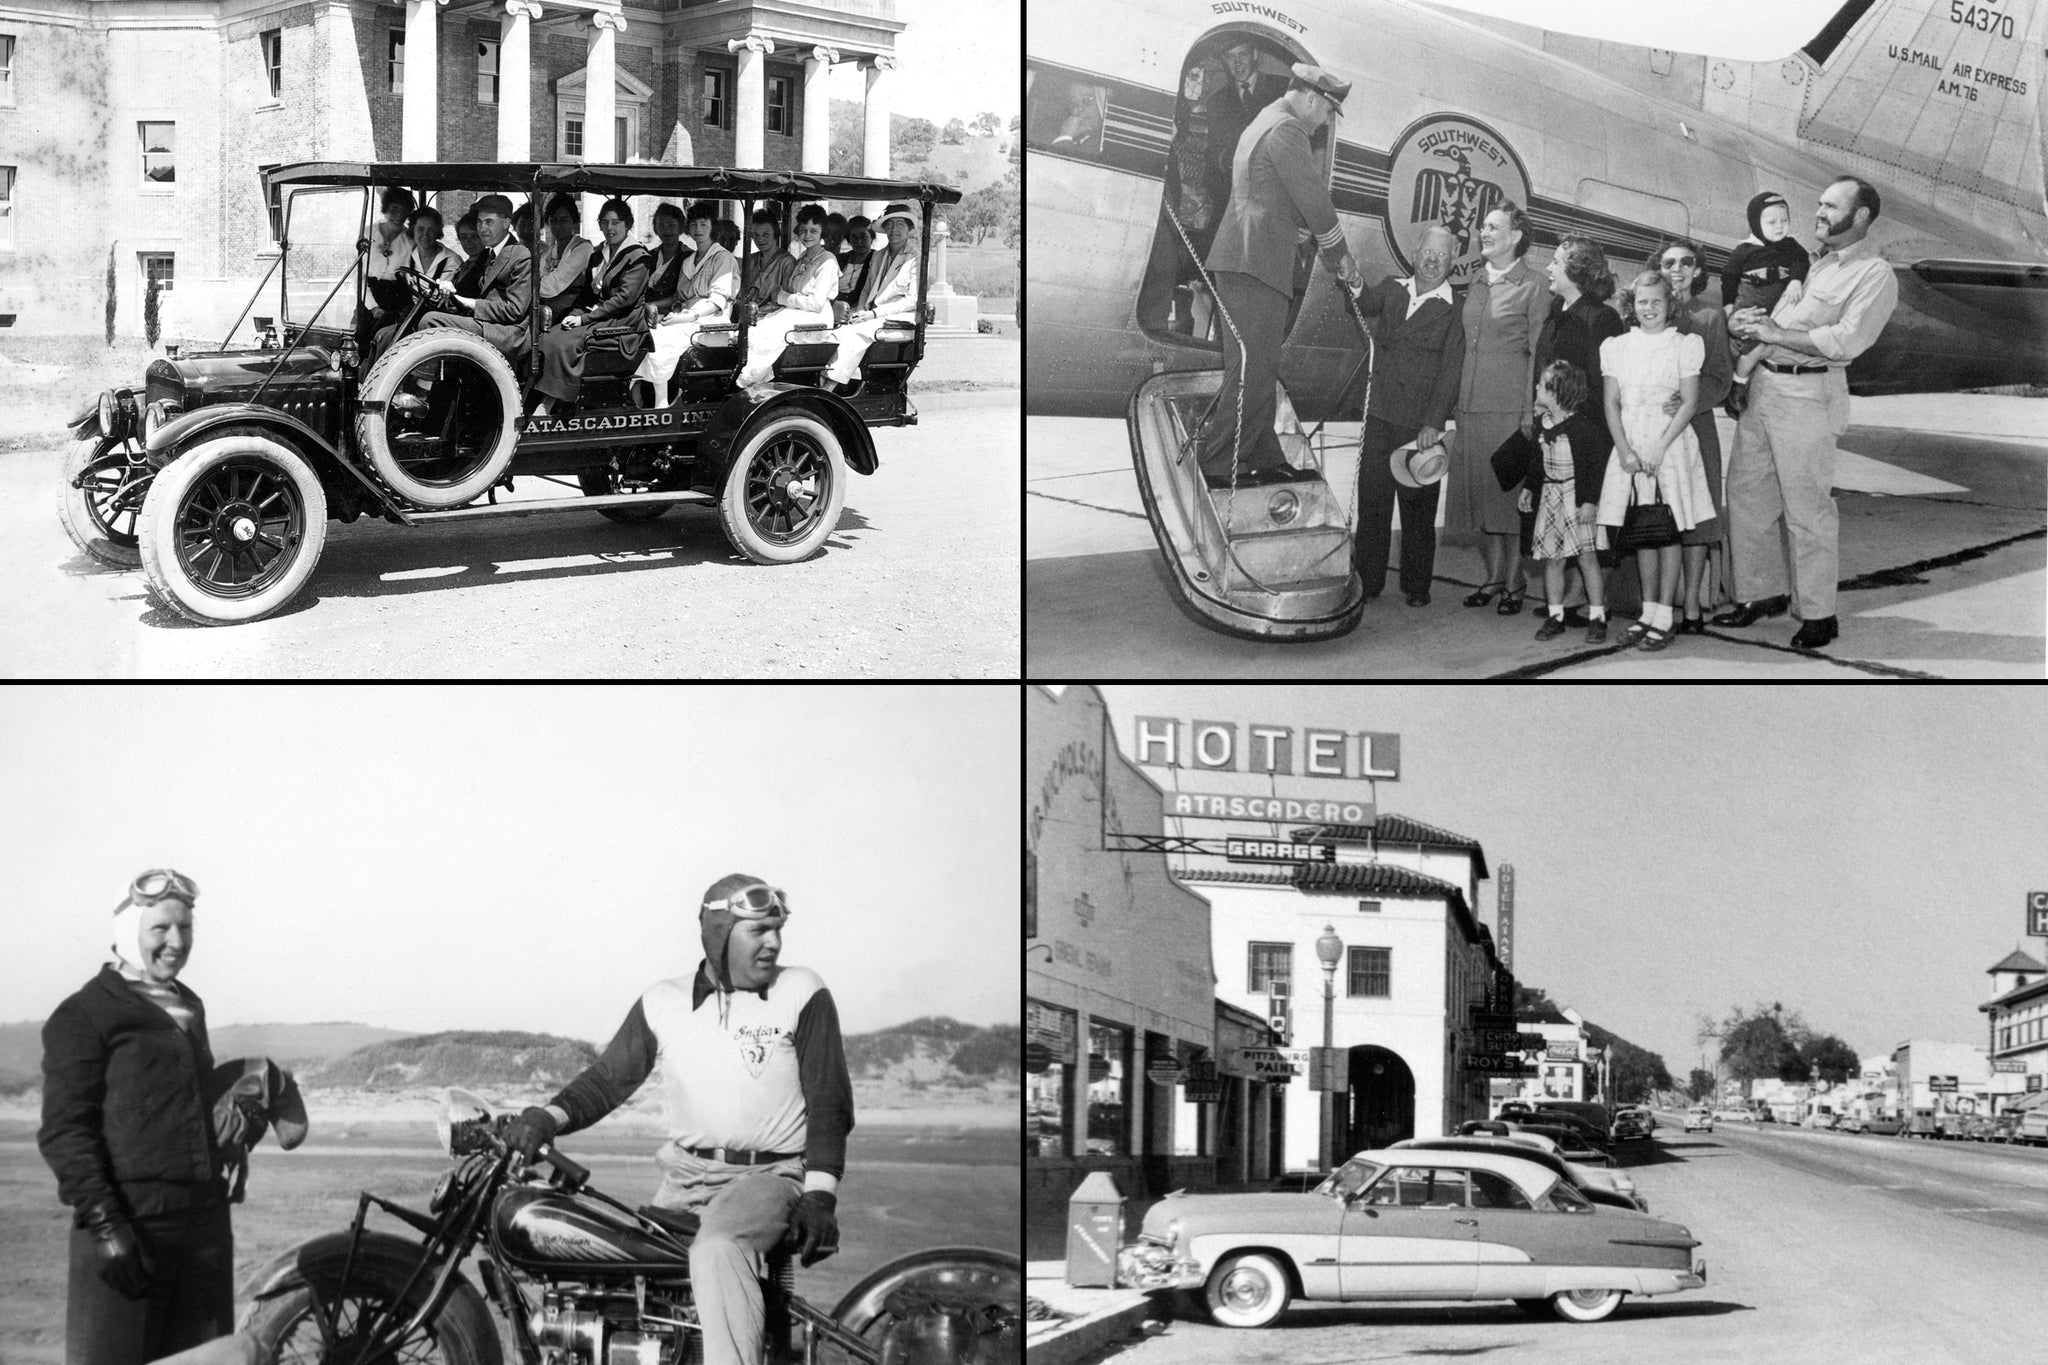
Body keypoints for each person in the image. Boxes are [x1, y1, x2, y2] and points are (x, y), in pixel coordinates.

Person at [501, 876, 853, 1365]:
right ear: (720, 932)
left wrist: (819, 1194)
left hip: (766, 1177)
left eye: (777, 930)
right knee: (618, 1267)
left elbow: (829, 1098)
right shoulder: (663, 1001)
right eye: (759, 931)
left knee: (718, 1249)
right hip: (685, 1178)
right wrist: (547, 1117)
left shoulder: (801, 990)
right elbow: (608, 1079)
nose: (773, 942)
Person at [39, 869, 235, 1365]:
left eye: (185, 928)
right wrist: (106, 1228)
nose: (176, 942)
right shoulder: (84, 1014)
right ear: (130, 934)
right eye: (160, 929)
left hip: (204, 1229)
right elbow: (65, 1132)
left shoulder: (190, 1005)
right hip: (131, 1231)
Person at [1716, 175, 1899, 650]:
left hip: (1807, 394)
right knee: (1747, 498)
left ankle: (1819, 614)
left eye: (1830, 206)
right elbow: (1768, 315)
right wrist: (1742, 323)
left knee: (1807, 510)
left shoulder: (1874, 274)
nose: (1818, 212)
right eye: (1818, 203)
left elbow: (1847, 341)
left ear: (1859, 217)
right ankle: (1760, 594)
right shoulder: (1810, 265)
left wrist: (1775, 335)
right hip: (1764, 388)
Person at [1196, 63, 1364, 487]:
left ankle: (1259, 453)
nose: (1326, 122)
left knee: (1259, 366)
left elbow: (1262, 192)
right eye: (1327, 112)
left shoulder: (1266, 117)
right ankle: (1218, 462)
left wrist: (1291, 225)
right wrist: (1342, 258)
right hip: (1255, 262)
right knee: (1251, 368)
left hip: (1251, 256)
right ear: (1311, 99)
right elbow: (1315, 198)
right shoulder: (1289, 129)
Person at [1347, 223, 1465, 607]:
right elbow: (1364, 302)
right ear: (1414, 254)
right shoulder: (1393, 289)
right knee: (1374, 503)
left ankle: (1417, 586)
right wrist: (1352, 279)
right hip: (1380, 413)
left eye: (1442, 255)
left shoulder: (1455, 309)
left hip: (1420, 424)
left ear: (1453, 263)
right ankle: (1369, 581)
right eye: (1427, 253)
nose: (1432, 260)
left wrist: (1434, 421)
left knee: (1417, 509)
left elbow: (1451, 369)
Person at [1596, 270, 1714, 651]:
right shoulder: (1616, 346)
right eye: (1643, 301)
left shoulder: (1684, 344)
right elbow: (1611, 403)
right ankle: (1647, 611)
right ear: (1633, 305)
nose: (1650, 309)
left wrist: (1661, 446)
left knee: (1668, 530)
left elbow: (1690, 401)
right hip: (1630, 443)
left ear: (1670, 304)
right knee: (1642, 532)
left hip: (1670, 444)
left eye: (1657, 302)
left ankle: (1665, 614)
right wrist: (1625, 450)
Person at [1449, 201, 1549, 612]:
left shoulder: (1534, 284)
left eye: (1493, 227)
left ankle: (1515, 583)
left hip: (1508, 408)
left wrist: (1531, 410)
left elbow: (1537, 351)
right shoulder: (1477, 282)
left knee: (1505, 503)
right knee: (1478, 501)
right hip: (1469, 407)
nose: (1483, 233)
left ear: (1516, 236)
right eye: (1483, 227)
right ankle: (1491, 578)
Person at [1533, 233, 1624, 621]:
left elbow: (1601, 386)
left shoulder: (1600, 317)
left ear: (1577, 271)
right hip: (1554, 431)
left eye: (1556, 262)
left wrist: (1581, 435)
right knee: (1560, 520)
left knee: (1586, 523)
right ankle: (1568, 599)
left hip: (1586, 437)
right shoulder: (1558, 311)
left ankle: (1587, 602)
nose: (1549, 268)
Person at [1655, 237, 1735, 633]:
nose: (1678, 269)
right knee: (1661, 515)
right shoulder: (1646, 309)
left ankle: (1691, 605)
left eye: (1687, 263)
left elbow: (1721, 379)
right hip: (1652, 428)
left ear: (1698, 270)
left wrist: (1687, 401)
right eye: (1669, 262)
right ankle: (1659, 606)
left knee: (1698, 519)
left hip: (1696, 425)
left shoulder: (1710, 317)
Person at [1517, 360, 1613, 642]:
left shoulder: (1584, 429)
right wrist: (1530, 488)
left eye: (1542, 385)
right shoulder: (1541, 424)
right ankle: (1555, 615)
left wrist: (1589, 502)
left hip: (1577, 500)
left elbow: (1594, 469)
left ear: (1556, 392)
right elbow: (1537, 463)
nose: (1536, 387)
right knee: (1553, 561)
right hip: (1551, 496)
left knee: (1587, 558)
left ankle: (1597, 616)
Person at [531, 197, 652, 416]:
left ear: (628, 224)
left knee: (564, 343)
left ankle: (552, 401)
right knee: (550, 336)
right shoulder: (599, 254)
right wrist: (576, 313)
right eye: (604, 223)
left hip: (625, 322)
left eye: (615, 223)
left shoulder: (638, 256)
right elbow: (587, 293)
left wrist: (584, 319)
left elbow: (624, 299)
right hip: (600, 316)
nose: (609, 228)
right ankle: (551, 397)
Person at [633, 201, 738, 406]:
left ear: (712, 227)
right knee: (647, 334)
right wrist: (676, 314)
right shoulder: (689, 260)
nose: (698, 229)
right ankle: (646, 394)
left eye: (703, 224)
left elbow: (718, 300)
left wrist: (688, 316)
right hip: (687, 318)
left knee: (660, 339)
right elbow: (680, 298)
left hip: (712, 322)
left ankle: (661, 403)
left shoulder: (722, 257)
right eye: (694, 225)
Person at [1721, 191, 1811, 416]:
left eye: (1784, 221)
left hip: (1778, 306)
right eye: (1771, 222)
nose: (1779, 227)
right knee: (1753, 348)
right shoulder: (1744, 251)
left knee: (1768, 344)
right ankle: (1738, 384)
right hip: (1752, 304)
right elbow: (1729, 278)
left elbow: (1801, 261)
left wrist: (1795, 281)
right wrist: (1729, 307)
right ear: (1756, 224)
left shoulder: (1791, 246)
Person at [420, 193, 535, 365]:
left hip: (508, 333)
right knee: (424, 314)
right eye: (479, 222)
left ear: (506, 223)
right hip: (487, 323)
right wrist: (450, 290)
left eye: (489, 222)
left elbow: (515, 310)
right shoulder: (490, 253)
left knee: (431, 321)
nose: (482, 229)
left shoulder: (520, 255)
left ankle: (422, 387)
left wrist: (470, 303)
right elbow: (471, 289)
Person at [737, 203, 840, 387]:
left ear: (822, 233)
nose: (807, 235)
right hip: (796, 313)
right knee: (757, 329)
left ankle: (752, 379)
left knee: (769, 333)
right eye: (803, 230)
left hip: (815, 319)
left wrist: (782, 297)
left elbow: (816, 303)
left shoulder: (828, 261)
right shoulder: (802, 259)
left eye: (813, 231)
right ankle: (757, 381)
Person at [822, 203, 920, 394]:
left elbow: (912, 301)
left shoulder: (915, 258)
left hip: (900, 322)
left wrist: (874, 313)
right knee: (837, 333)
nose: (894, 230)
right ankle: (832, 382)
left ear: (908, 228)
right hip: (875, 318)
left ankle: (829, 387)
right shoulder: (879, 256)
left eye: (900, 225)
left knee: (856, 334)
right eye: (890, 225)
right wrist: (860, 312)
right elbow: (867, 289)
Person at [357, 185, 417, 349]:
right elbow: (358, 278)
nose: (399, 216)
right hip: (368, 298)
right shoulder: (368, 234)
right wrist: (373, 307)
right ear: (385, 209)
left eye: (404, 211)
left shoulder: (410, 240)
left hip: (397, 301)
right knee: (361, 342)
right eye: (394, 209)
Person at [536, 192, 594, 327]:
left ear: (574, 222)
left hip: (573, 312)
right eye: (553, 220)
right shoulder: (550, 250)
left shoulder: (582, 248)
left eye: (564, 220)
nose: (557, 226)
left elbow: (551, 286)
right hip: (549, 311)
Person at [639, 203, 694, 324]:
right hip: (643, 311)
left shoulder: (688, 257)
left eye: (671, 225)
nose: (667, 230)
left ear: (680, 227)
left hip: (671, 315)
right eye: (661, 226)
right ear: (655, 229)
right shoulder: (650, 255)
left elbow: (681, 296)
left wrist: (651, 305)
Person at [832, 215, 873, 325]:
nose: (859, 242)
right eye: (854, 237)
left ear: (872, 238)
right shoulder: (839, 259)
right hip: (834, 308)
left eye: (863, 237)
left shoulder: (877, 259)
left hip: (861, 311)